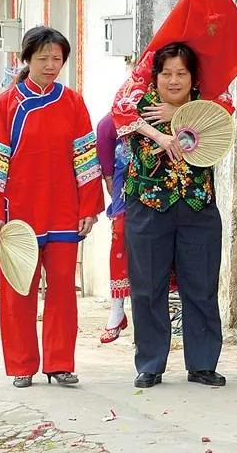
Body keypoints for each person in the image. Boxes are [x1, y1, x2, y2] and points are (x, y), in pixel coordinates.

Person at [0, 26, 104, 388]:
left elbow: (86, 158)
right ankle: (21, 365)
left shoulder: (73, 102)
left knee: (63, 287)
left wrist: (88, 207)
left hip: (63, 209)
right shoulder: (6, 104)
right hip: (20, 214)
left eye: (57, 59)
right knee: (18, 290)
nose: (51, 65)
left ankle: (60, 362)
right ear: (26, 59)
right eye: (44, 58)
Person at [115, 42, 227, 389]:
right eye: (166, 73)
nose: (173, 80)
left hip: (197, 206)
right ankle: (150, 364)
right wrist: (160, 132)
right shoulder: (139, 103)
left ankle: (203, 363)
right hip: (148, 208)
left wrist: (181, 117)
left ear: (194, 78)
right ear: (155, 76)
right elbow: (119, 114)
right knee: (148, 288)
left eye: (181, 73)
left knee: (202, 286)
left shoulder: (207, 106)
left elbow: (225, 115)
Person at [96, 113, 131, 343]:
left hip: (164, 187)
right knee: (120, 239)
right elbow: (104, 129)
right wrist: (108, 175)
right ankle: (117, 309)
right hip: (126, 187)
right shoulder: (124, 109)